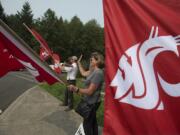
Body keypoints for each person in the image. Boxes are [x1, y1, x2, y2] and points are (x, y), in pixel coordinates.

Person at [68, 52, 104, 135]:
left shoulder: (98, 73)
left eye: (92, 59)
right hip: (90, 101)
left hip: (93, 102)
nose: (90, 60)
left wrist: (76, 89)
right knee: (92, 122)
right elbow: (83, 73)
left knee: (86, 124)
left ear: (97, 61)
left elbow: (90, 91)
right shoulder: (92, 71)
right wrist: (79, 63)